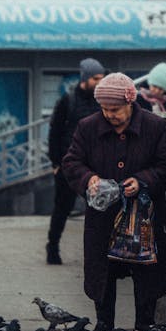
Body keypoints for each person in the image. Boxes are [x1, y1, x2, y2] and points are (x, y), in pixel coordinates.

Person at [62, 71, 166, 331]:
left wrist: (142, 181)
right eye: (104, 109)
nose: (109, 115)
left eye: (114, 109)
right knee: (103, 272)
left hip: (144, 216)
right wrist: (89, 179)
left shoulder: (154, 126)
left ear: (130, 103)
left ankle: (144, 327)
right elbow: (71, 162)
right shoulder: (87, 127)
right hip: (103, 217)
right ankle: (103, 327)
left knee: (147, 273)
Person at [45, 57, 106, 265]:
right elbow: (55, 132)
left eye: (102, 78)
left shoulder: (102, 101)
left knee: (98, 210)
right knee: (62, 208)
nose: (100, 81)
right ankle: (52, 247)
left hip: (94, 166)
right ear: (85, 78)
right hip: (68, 165)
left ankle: (98, 254)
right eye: (96, 78)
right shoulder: (67, 101)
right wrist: (55, 163)